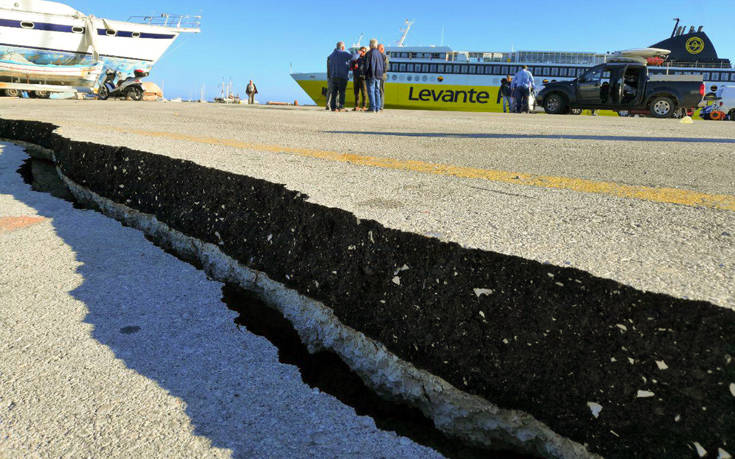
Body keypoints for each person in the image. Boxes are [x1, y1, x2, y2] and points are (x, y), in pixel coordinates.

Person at [327, 41, 353, 111]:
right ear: (343, 47)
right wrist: (359, 53)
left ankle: (333, 107)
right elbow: (353, 57)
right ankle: (341, 106)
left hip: (333, 76)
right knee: (342, 92)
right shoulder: (344, 53)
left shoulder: (331, 55)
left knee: (334, 92)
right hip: (342, 76)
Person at [364, 39, 385, 113]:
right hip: (379, 75)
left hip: (371, 74)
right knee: (377, 91)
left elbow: (366, 65)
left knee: (371, 90)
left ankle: (372, 107)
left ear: (371, 45)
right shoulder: (381, 54)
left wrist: (365, 74)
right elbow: (383, 65)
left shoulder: (369, 53)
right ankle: (378, 108)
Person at [351, 47, 368, 111]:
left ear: (365, 52)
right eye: (361, 51)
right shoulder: (356, 58)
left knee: (364, 92)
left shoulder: (366, 58)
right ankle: (357, 106)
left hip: (363, 77)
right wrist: (354, 64)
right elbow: (351, 65)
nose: (362, 52)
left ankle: (364, 106)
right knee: (356, 92)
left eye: (363, 51)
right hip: (356, 76)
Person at [378, 43, 389, 110]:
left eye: (378, 48)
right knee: (377, 91)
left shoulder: (384, 57)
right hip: (377, 76)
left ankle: (381, 106)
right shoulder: (377, 56)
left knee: (381, 91)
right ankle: (377, 105)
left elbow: (386, 68)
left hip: (381, 76)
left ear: (382, 49)